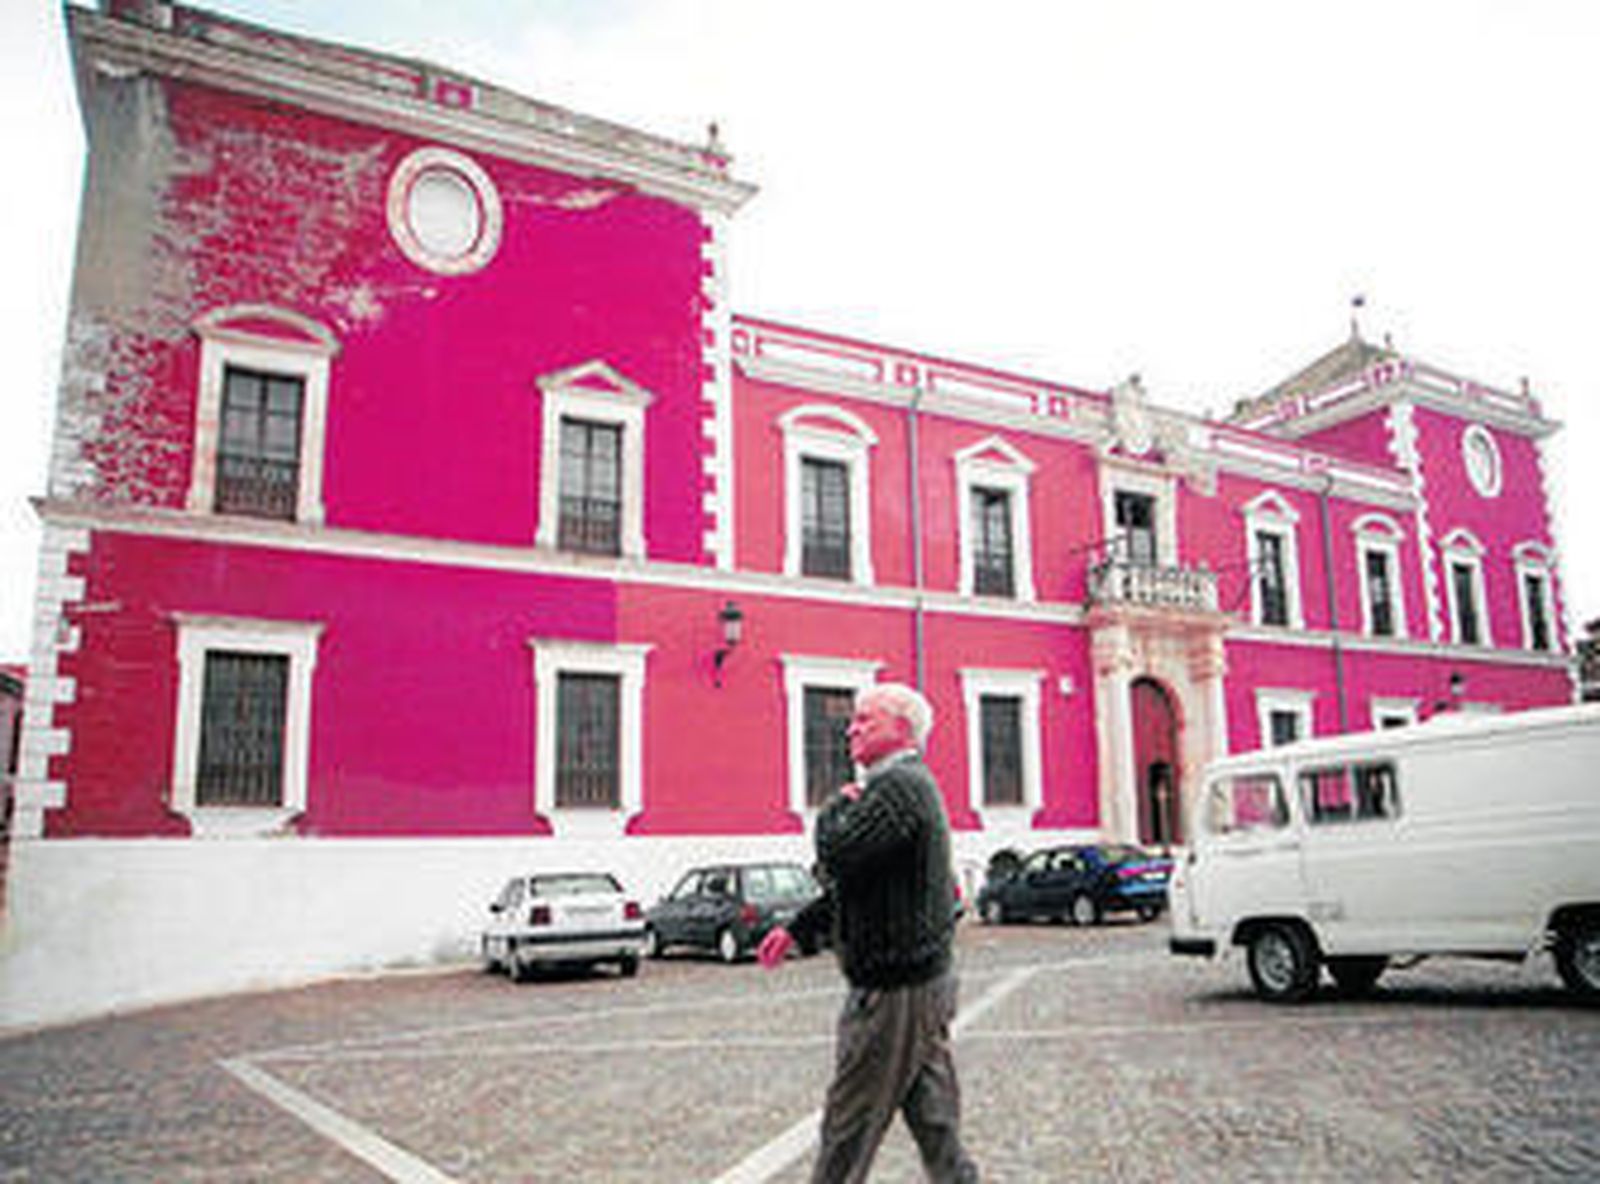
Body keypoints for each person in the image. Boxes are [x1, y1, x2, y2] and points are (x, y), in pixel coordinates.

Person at [758, 682, 977, 1184]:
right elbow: (857, 884)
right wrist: (796, 929)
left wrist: (835, 807)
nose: (850, 728)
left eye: (865, 720)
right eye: (853, 719)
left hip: (893, 991)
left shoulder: (899, 787)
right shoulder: (901, 787)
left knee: (848, 1128)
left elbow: (836, 854)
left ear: (901, 730)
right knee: (935, 1123)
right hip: (920, 982)